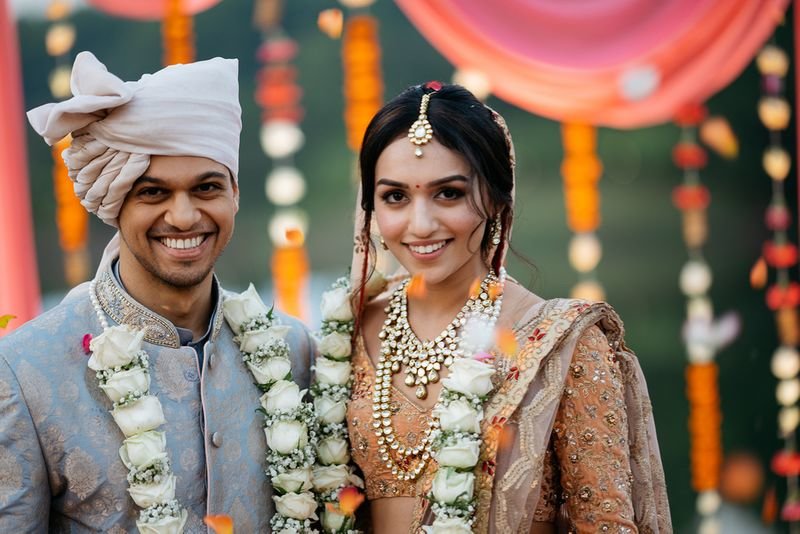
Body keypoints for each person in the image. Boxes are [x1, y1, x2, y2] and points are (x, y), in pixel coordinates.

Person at [0, 52, 314, 531]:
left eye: (207, 188)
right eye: (153, 192)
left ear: (234, 194)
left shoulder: (294, 350)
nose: (184, 216)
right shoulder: (25, 370)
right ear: (113, 201)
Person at [344, 83, 672, 533]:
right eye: (395, 197)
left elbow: (605, 524)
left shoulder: (561, 342)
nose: (420, 224)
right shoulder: (349, 330)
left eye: (448, 194)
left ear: (497, 199)